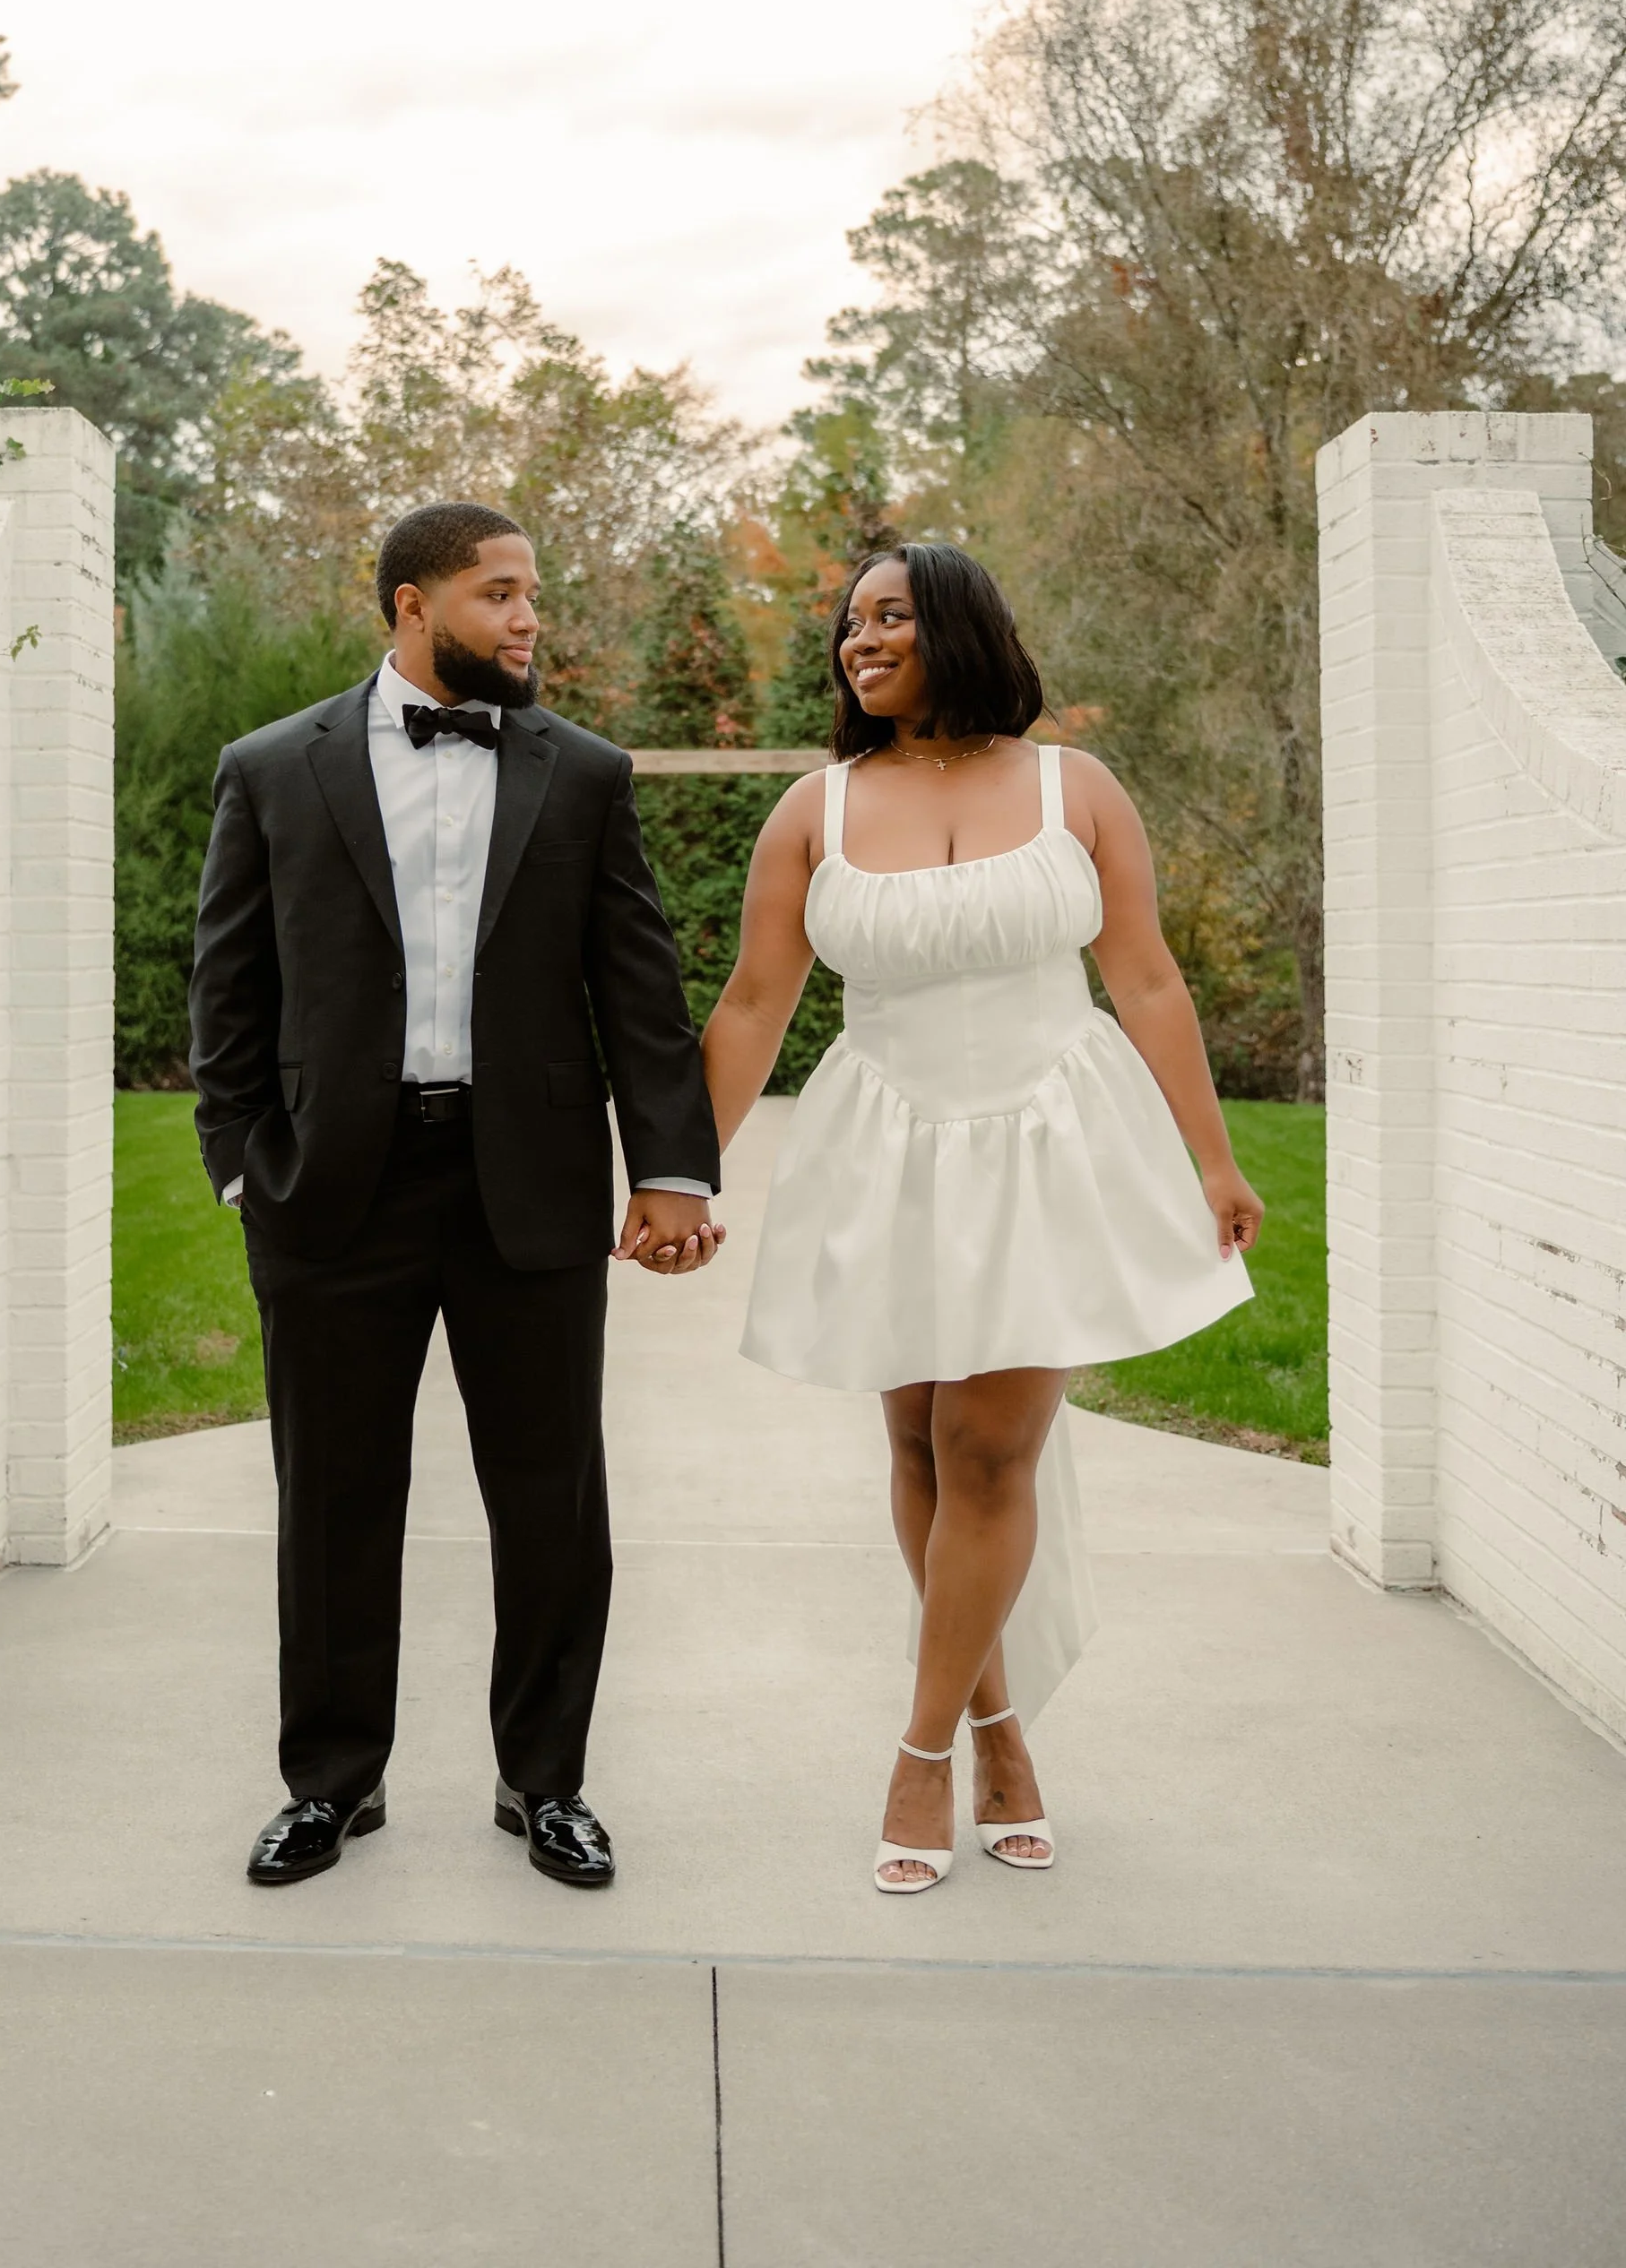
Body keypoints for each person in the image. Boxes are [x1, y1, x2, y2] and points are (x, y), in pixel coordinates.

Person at [702, 543, 1261, 1893]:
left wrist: (1215, 1162)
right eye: (848, 623)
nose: (859, 640)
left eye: (889, 615)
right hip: (884, 1143)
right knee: (917, 1441)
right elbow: (751, 1006)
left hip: (1051, 1140)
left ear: (960, 626)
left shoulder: (1081, 788)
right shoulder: (814, 811)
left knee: (988, 1445)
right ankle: (1001, 1723)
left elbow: (1148, 978)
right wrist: (682, 1175)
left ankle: (921, 1751)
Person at [188, 502, 723, 1892]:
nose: (530, 617)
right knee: (334, 1497)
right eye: (500, 594)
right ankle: (330, 1785)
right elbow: (229, 989)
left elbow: (641, 991)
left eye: (534, 592)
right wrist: (243, 1161)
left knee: (553, 1501)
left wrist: (670, 1166)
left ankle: (545, 1783)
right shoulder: (271, 769)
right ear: (414, 607)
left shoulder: (586, 775)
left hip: (527, 1186)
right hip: (332, 1194)